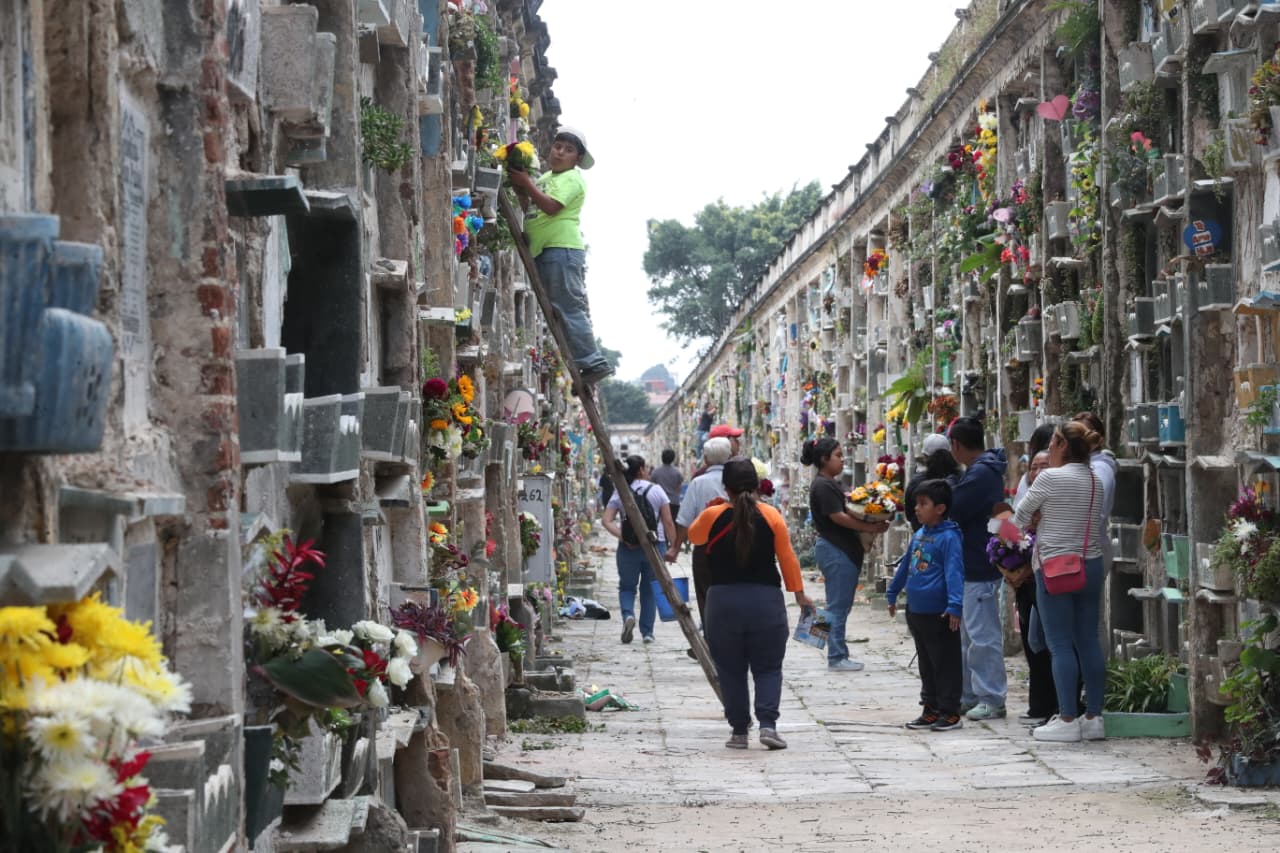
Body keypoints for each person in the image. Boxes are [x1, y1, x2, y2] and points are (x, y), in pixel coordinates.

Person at [687, 457, 813, 750]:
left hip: (722, 603)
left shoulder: (712, 515)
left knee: (730, 669)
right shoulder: (771, 516)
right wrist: (799, 594)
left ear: (726, 487)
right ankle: (768, 725)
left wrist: (714, 508)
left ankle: (739, 731)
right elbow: (787, 558)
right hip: (765, 602)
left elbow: (694, 536)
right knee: (768, 668)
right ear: (757, 486)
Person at [1011, 421, 1107, 743]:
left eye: (1052, 443)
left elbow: (1019, 518)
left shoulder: (1049, 478)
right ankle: (1094, 717)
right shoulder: (1094, 480)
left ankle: (1067, 717)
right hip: (1090, 564)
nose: (1048, 449)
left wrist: (1038, 517)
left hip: (1055, 567)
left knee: (1060, 643)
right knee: (1088, 640)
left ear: (1063, 445)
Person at [508, 126, 613, 385]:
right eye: (558, 146)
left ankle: (592, 361)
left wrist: (527, 183)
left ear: (577, 159)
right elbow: (533, 208)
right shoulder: (546, 178)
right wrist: (523, 190)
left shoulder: (572, 179)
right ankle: (583, 361)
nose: (560, 153)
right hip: (545, 250)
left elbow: (551, 207)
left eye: (568, 150)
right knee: (560, 308)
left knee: (568, 306)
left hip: (561, 249)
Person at [801, 437, 891, 672]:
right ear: (824, 459)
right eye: (838, 455)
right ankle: (836, 656)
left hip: (837, 549)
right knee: (838, 606)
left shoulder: (829, 483)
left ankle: (816, 641)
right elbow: (838, 517)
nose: (843, 460)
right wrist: (870, 526)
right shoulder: (823, 485)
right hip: (835, 549)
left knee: (836, 603)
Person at [886, 479, 966, 731]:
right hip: (916, 610)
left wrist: (955, 605)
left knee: (945, 663)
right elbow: (906, 566)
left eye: (923, 504)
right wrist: (892, 592)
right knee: (926, 663)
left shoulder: (949, 537)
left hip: (940, 613)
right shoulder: (920, 535)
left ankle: (950, 711)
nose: (917, 509)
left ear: (940, 508)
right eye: (916, 504)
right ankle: (930, 708)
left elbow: (954, 572)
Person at [946, 415, 1009, 720]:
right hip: (970, 563)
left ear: (956, 445)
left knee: (982, 636)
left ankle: (992, 697)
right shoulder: (981, 470)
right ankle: (970, 694)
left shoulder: (981, 473)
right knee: (969, 637)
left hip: (979, 565)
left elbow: (954, 508)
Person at [1005, 449, 1057, 726]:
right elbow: (1013, 530)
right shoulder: (1027, 496)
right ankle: (1038, 705)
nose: (1037, 472)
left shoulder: (1058, 497)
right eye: (1033, 467)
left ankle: (1056, 705)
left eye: (1044, 466)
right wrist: (1008, 568)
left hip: (1048, 578)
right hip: (1027, 584)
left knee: (1046, 641)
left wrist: (1025, 570)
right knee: (1031, 641)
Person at [601, 455, 676, 645]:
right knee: (649, 589)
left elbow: (606, 520)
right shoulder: (657, 490)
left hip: (628, 548)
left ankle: (628, 615)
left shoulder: (621, 491)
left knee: (627, 587)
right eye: (646, 467)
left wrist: (624, 537)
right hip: (654, 545)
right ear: (641, 469)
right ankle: (647, 632)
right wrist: (674, 547)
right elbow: (668, 521)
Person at [668, 437, 732, 623]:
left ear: (705, 458)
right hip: (734, 545)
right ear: (729, 456)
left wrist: (675, 548)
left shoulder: (698, 483)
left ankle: (710, 630)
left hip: (705, 548)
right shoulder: (735, 480)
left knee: (706, 593)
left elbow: (684, 520)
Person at [904, 433, 961, 531]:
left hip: (924, 535)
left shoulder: (917, 481)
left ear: (925, 456)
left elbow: (909, 514)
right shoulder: (960, 477)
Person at [649, 448, 684, 526]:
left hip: (659, 503)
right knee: (673, 524)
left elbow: (651, 485)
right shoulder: (677, 472)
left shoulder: (656, 472)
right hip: (674, 502)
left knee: (660, 524)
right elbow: (679, 488)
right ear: (673, 458)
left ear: (662, 458)